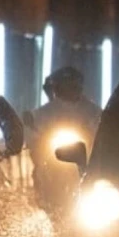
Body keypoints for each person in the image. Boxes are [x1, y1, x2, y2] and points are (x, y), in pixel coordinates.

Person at [26, 66, 102, 211]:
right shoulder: (45, 112)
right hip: (54, 160)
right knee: (43, 174)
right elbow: (34, 131)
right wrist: (34, 135)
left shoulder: (93, 111)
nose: (70, 89)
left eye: (73, 85)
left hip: (85, 160)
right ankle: (49, 206)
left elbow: (101, 128)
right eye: (65, 84)